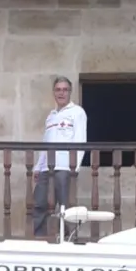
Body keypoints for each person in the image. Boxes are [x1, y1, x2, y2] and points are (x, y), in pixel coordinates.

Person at [32, 76, 87, 236]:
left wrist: (74, 167)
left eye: (65, 90)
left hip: (65, 167)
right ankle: (39, 239)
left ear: (70, 92)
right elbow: (45, 143)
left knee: (66, 207)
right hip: (46, 168)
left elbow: (80, 140)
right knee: (39, 204)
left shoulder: (77, 112)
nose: (61, 93)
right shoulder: (51, 116)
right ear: (53, 92)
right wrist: (38, 166)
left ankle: (70, 240)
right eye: (58, 90)